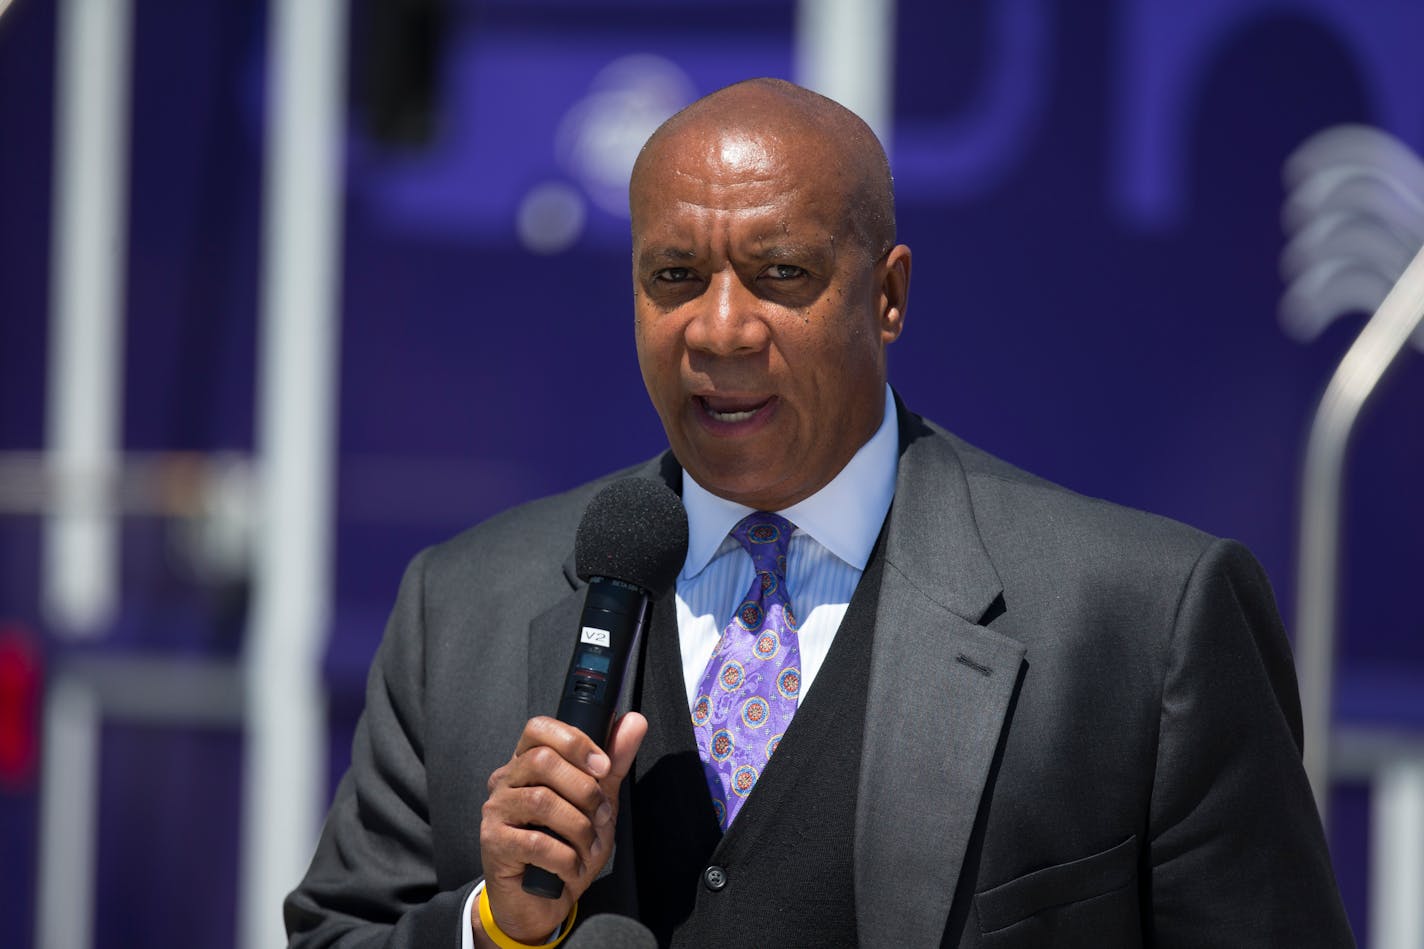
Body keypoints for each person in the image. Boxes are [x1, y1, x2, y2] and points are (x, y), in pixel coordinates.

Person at [286, 78, 1353, 948]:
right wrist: (496, 927)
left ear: (885, 295)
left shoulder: (1139, 620)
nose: (718, 328)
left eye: (779, 273)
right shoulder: (464, 605)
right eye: (673, 275)